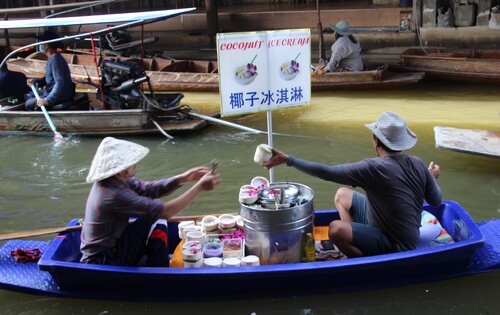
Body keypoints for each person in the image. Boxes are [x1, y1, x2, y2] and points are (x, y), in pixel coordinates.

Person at [261, 112, 442, 258]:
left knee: (335, 229)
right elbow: (435, 200)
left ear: (376, 141)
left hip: (396, 244)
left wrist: (288, 160)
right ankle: (356, 241)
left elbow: (327, 172)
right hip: (400, 231)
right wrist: (430, 177)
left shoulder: (374, 168)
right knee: (342, 194)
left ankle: (361, 258)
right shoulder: (418, 163)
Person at [80, 137, 221, 266]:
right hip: (103, 260)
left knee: (155, 220)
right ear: (122, 169)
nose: (134, 163)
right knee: (159, 221)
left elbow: (147, 189)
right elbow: (165, 212)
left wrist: (183, 178)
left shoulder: (116, 181)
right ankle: (160, 272)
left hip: (112, 247)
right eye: (131, 162)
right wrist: (199, 188)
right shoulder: (113, 194)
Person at [25, 31, 75, 111]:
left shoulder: (55, 60)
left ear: (46, 45)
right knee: (29, 95)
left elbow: (59, 82)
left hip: (60, 96)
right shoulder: (52, 58)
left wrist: (48, 100)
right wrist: (36, 81)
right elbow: (50, 78)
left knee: (28, 104)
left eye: (42, 43)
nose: (40, 44)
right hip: (51, 90)